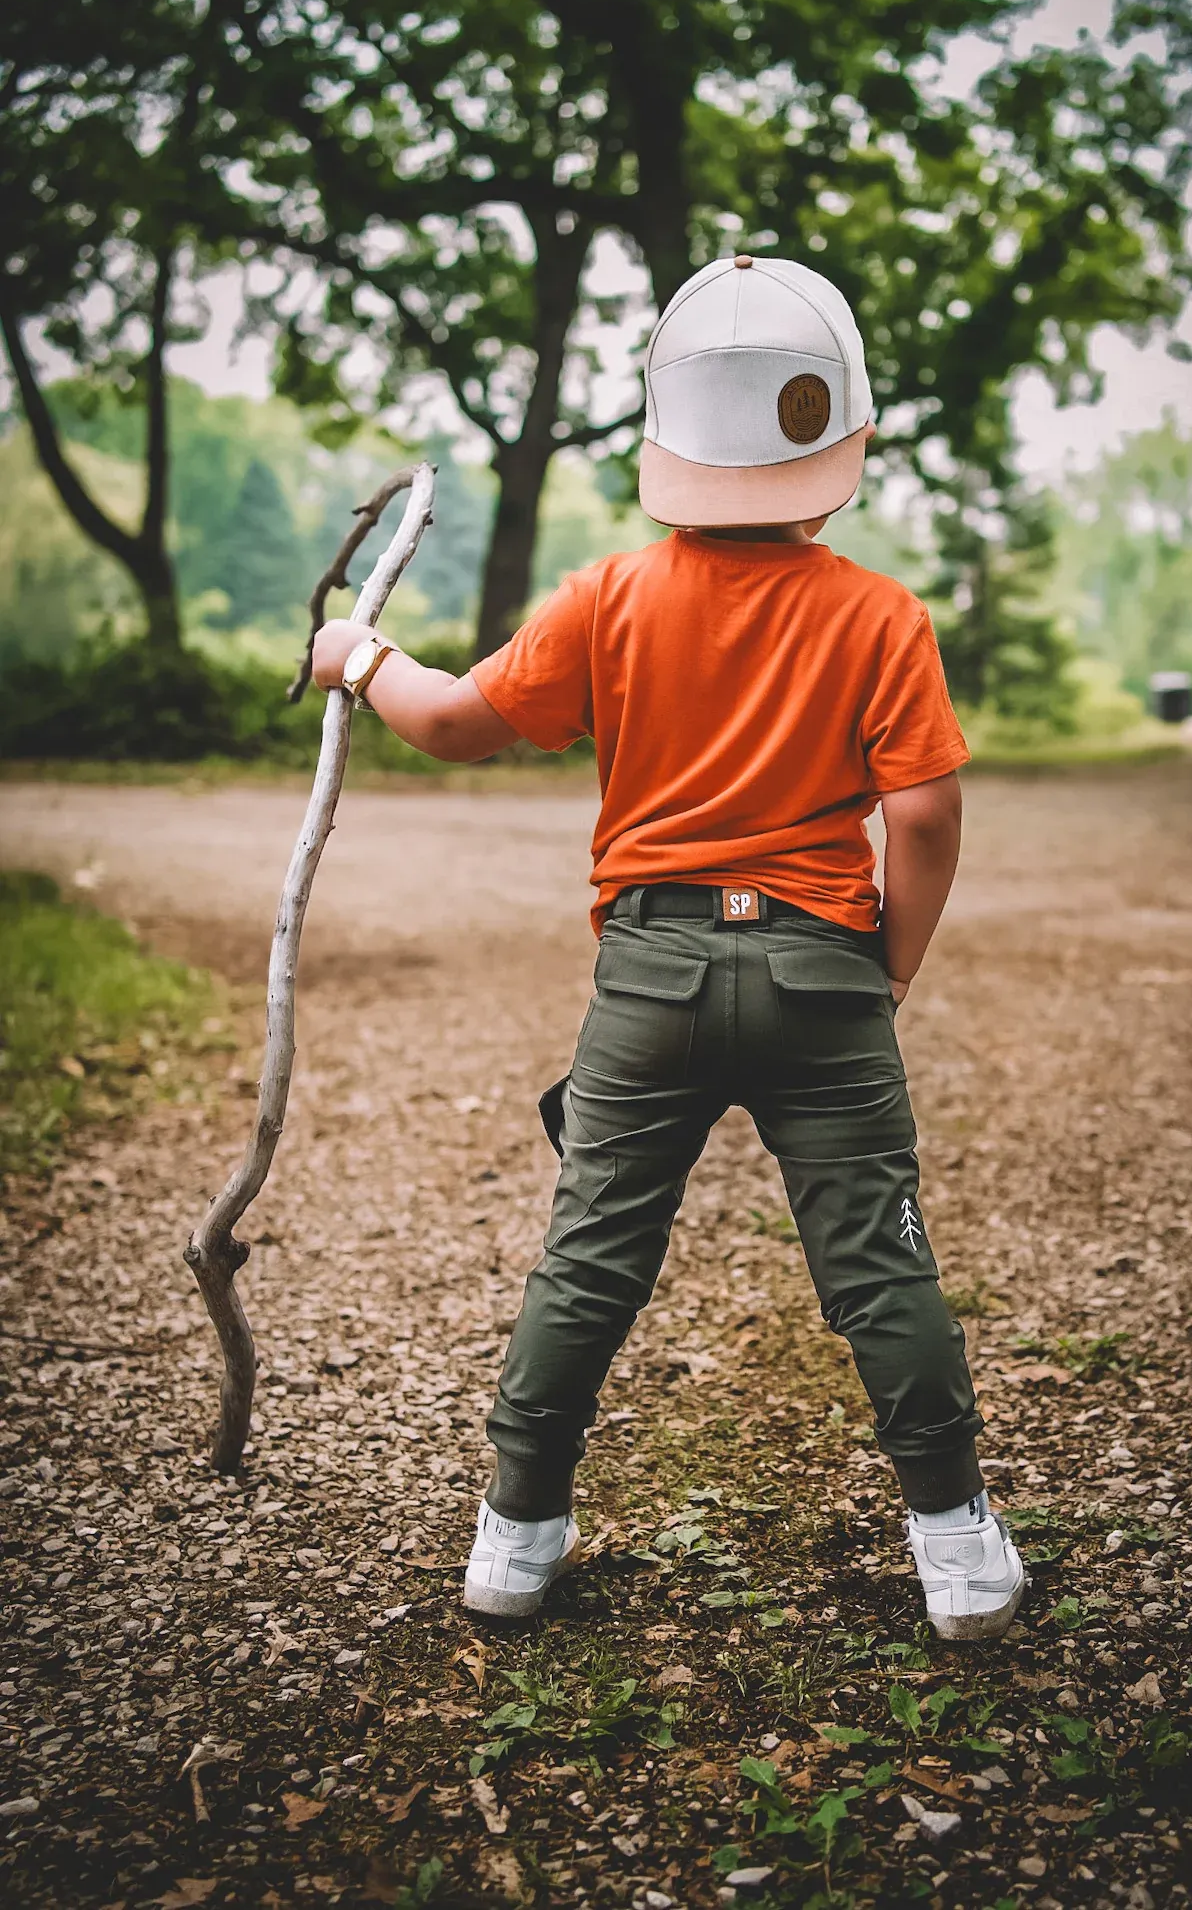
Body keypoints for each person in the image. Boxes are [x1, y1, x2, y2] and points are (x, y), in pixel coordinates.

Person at [312, 253, 1024, 1640]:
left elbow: (456, 721)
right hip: (824, 972)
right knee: (876, 1260)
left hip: (649, 976)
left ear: (670, 443)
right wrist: (888, 962)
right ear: (838, 446)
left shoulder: (611, 597)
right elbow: (925, 811)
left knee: (589, 1255)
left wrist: (359, 658)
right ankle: (956, 1547)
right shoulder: (882, 617)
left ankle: (514, 1534)